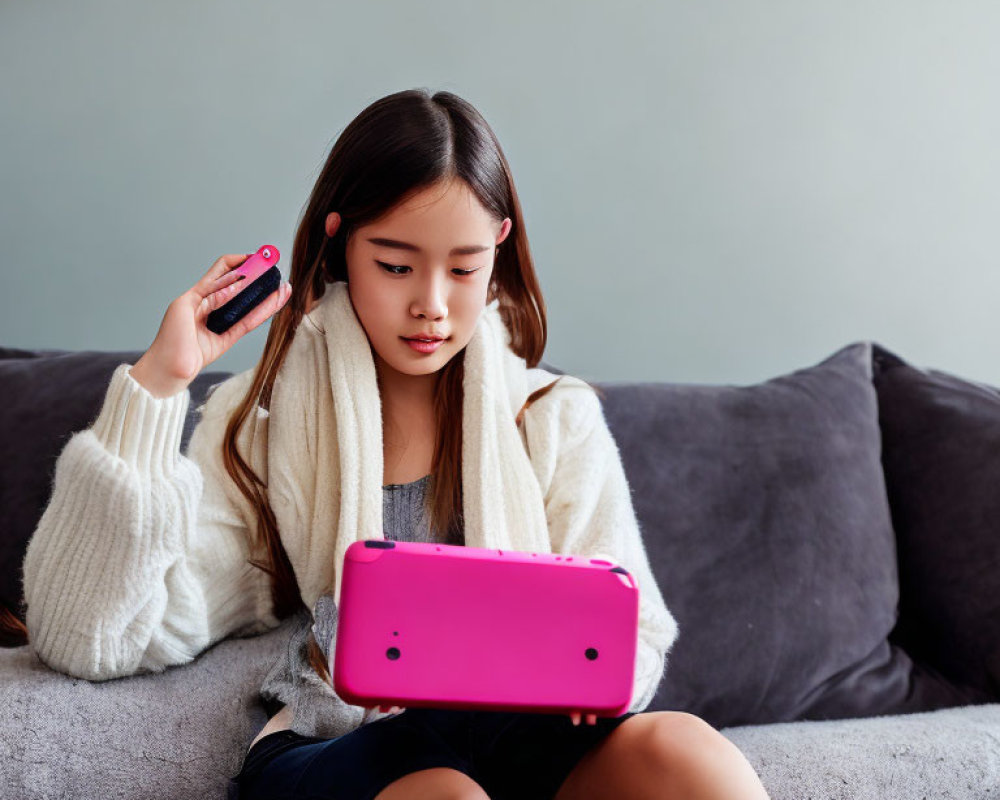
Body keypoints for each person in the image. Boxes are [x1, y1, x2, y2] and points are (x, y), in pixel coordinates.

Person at [21, 88, 771, 799]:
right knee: (443, 792)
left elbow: (631, 634)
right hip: (343, 747)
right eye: (395, 265)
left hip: (516, 740)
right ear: (340, 243)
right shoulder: (268, 420)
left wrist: (593, 680)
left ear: (499, 249)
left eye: (464, 268)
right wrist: (157, 384)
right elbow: (96, 635)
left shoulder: (552, 418)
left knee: (688, 752)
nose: (431, 306)